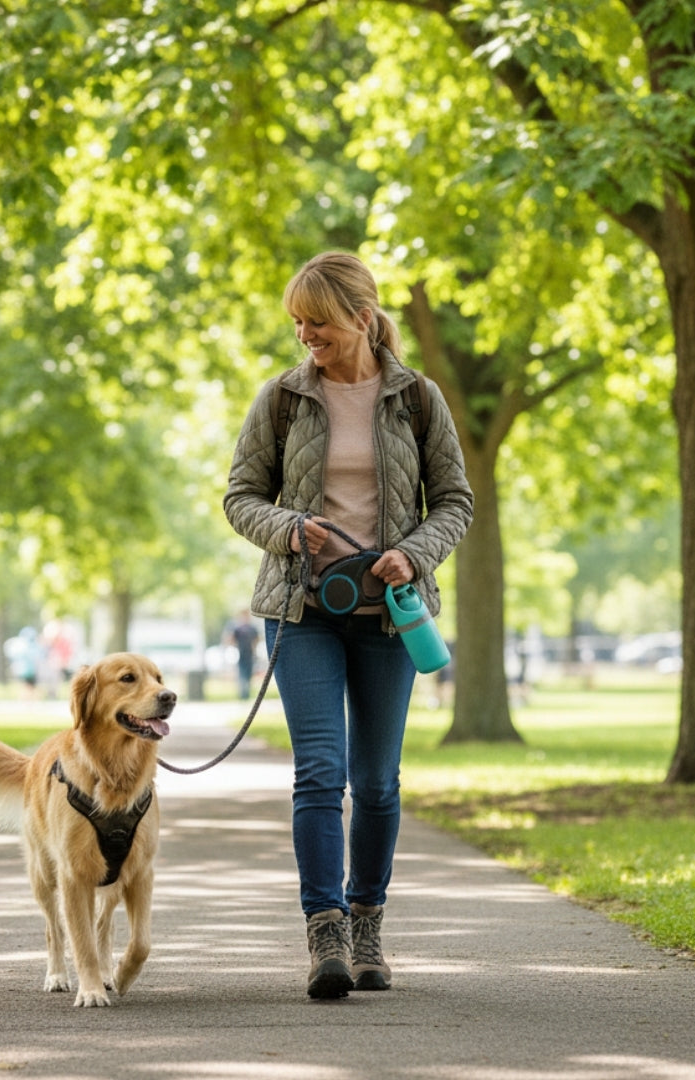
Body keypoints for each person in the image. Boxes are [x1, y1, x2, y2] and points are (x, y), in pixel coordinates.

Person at [224, 252, 473, 998]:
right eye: (297, 322)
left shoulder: (419, 399)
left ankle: (368, 923)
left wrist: (412, 553)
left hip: (390, 621)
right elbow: (240, 496)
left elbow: (454, 501)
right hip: (302, 611)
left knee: (378, 784)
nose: (305, 335)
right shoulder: (280, 400)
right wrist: (291, 526)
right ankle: (325, 931)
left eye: (319, 322)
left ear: (362, 317)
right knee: (320, 774)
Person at [226, 609, 260, 700]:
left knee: (248, 674)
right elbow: (231, 639)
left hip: (250, 654)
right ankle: (243, 694)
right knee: (241, 674)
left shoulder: (252, 628)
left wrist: (255, 650)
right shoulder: (237, 628)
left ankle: (246, 693)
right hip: (240, 654)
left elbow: (256, 639)